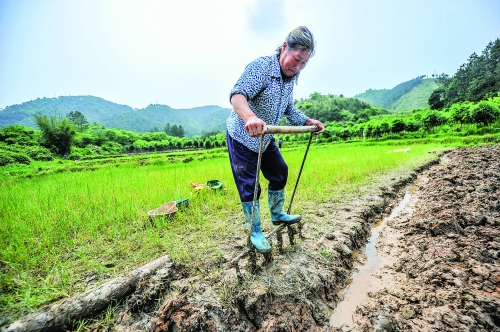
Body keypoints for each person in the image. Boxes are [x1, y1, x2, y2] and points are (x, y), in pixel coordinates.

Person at [226, 26, 324, 253]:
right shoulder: (262, 67)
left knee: (280, 171)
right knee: (250, 187)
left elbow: (288, 107)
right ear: (284, 48)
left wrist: (306, 121)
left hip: (266, 138)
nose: (297, 67)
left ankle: (278, 213)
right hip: (242, 136)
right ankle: (255, 230)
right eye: (296, 59)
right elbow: (237, 96)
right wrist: (250, 117)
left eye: (303, 63)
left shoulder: (289, 78)